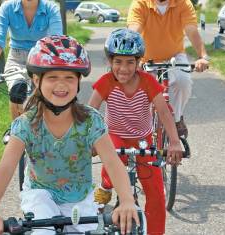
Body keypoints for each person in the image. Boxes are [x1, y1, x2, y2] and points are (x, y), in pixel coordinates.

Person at [0, 35, 140, 235]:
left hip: (79, 197)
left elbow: (113, 162)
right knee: (43, 231)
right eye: (53, 77)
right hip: (40, 194)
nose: (61, 85)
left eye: (69, 78)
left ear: (79, 82)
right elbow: (6, 167)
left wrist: (126, 200)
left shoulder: (91, 121)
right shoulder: (26, 124)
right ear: (36, 80)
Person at [88, 29, 182, 235]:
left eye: (130, 62)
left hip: (142, 139)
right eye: (118, 61)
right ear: (110, 60)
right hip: (114, 135)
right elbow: (91, 112)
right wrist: (89, 141)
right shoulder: (105, 82)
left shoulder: (148, 82)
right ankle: (105, 186)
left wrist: (174, 141)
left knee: (156, 193)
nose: (124, 68)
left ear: (139, 62)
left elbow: (164, 112)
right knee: (114, 164)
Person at [127, 0, 210, 138]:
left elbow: (191, 30)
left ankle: (177, 119)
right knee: (138, 92)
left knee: (183, 81)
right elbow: (134, 30)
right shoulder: (141, 3)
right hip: (144, 58)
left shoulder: (182, 3)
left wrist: (203, 56)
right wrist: (130, 57)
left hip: (174, 56)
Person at [0, 0, 63, 120]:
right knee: (17, 91)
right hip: (16, 58)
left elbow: (56, 40)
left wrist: (57, 67)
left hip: (42, 57)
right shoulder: (7, 7)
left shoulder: (50, 8)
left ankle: (44, 130)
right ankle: (16, 132)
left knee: (42, 98)